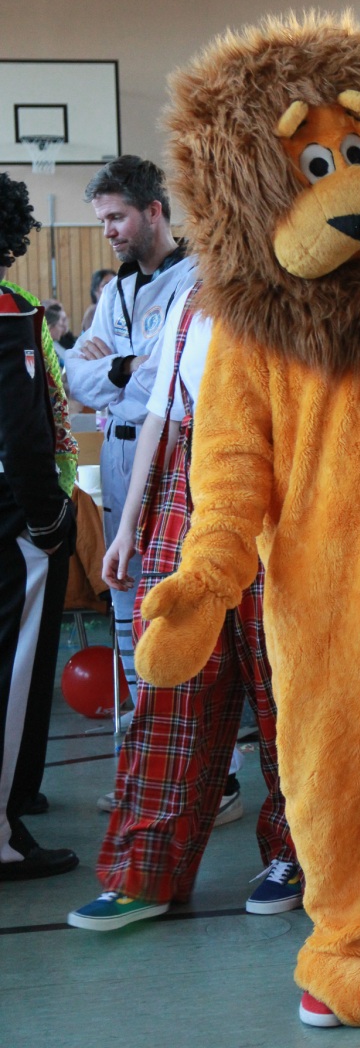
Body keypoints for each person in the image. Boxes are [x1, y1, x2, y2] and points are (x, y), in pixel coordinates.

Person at [68, 284, 299, 930]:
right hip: (189, 493)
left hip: (281, 497)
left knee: (286, 687)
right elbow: (162, 414)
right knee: (169, 686)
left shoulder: (304, 287)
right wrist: (126, 525)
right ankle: (144, 872)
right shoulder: (194, 300)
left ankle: (300, 853)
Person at [66, 156, 196, 703]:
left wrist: (116, 370)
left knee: (176, 591)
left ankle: (194, 733)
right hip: (119, 456)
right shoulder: (116, 290)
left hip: (173, 451)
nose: (108, 232)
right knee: (123, 583)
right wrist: (124, 365)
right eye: (102, 221)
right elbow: (75, 375)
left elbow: (167, 383)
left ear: (153, 211)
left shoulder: (195, 278)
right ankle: (139, 726)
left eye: (117, 218)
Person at [0, 173, 78, 880]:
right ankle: (2, 831)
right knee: (15, 671)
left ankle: (18, 790)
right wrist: (47, 518)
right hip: (13, 516)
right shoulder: (6, 313)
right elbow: (22, 435)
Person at [81, 267, 116, 332]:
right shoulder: (92, 312)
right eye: (105, 285)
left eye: (114, 285)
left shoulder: (119, 309)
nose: (111, 288)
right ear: (96, 290)